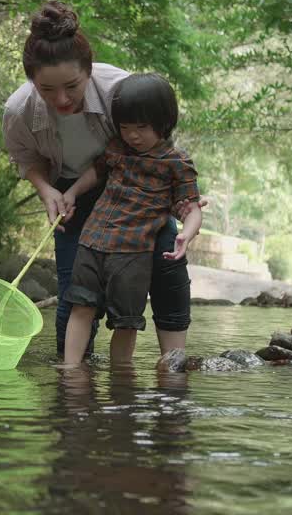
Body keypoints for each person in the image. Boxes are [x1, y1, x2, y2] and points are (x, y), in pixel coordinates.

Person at [2, 0, 198, 360]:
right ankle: (73, 378)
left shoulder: (120, 90)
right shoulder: (20, 110)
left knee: (167, 259)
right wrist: (47, 191)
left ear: (89, 71)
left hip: (136, 190)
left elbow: (156, 144)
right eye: (47, 90)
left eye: (72, 87)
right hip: (70, 194)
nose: (61, 99)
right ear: (32, 81)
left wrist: (183, 199)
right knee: (76, 288)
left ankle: (174, 367)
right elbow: (27, 159)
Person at [61, 73, 202, 366]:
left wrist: (186, 234)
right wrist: (72, 192)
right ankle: (70, 369)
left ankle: (121, 380)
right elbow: (97, 172)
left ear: (164, 123)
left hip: (132, 253)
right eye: (125, 127)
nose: (132, 135)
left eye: (141, 128)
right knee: (80, 307)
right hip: (93, 241)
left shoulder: (176, 163)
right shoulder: (116, 147)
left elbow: (190, 206)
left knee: (126, 321)